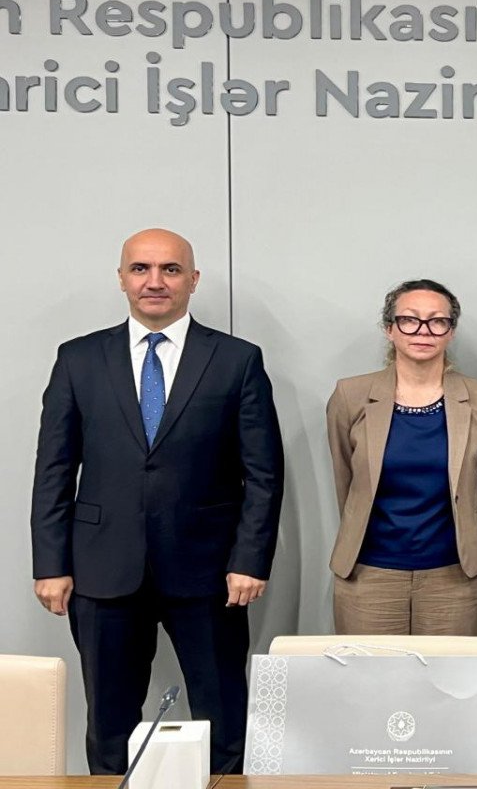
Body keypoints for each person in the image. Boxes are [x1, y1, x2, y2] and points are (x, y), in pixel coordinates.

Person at [30, 228, 284, 774]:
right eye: (140, 268)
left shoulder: (236, 360)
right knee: (109, 726)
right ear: (121, 279)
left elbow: (263, 474)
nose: (155, 281)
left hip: (210, 572)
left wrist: (250, 559)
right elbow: (53, 469)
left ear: (193, 280)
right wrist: (51, 564)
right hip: (102, 570)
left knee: (223, 720)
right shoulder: (78, 358)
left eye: (170, 269)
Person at [325, 279, 477, 635]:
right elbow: (347, 480)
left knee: (451, 673)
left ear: (451, 331)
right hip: (368, 575)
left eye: (437, 321)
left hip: (454, 577)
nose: (423, 330)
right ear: (389, 328)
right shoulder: (351, 395)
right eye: (409, 319)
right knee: (368, 672)